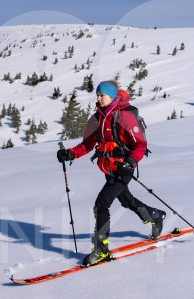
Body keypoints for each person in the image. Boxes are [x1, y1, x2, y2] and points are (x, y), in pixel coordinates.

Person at [56, 80, 166, 267]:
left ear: (112, 96)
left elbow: (140, 144)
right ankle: (155, 215)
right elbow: (88, 144)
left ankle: (101, 249)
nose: (98, 98)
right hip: (108, 168)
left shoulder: (124, 117)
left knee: (101, 205)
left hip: (123, 169)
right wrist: (70, 153)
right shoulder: (98, 118)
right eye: (97, 95)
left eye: (102, 95)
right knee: (126, 201)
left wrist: (130, 163)